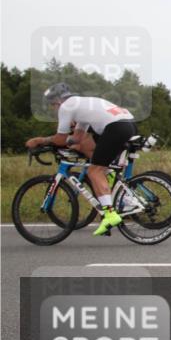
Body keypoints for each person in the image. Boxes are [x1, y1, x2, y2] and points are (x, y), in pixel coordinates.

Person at [25, 83, 138, 235]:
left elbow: (60, 138)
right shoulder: (80, 105)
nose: (53, 108)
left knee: (94, 171)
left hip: (115, 127)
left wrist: (40, 141)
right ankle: (116, 192)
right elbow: (76, 138)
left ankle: (110, 214)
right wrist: (68, 144)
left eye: (53, 104)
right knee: (100, 165)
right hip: (127, 124)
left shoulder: (66, 107)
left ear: (58, 101)